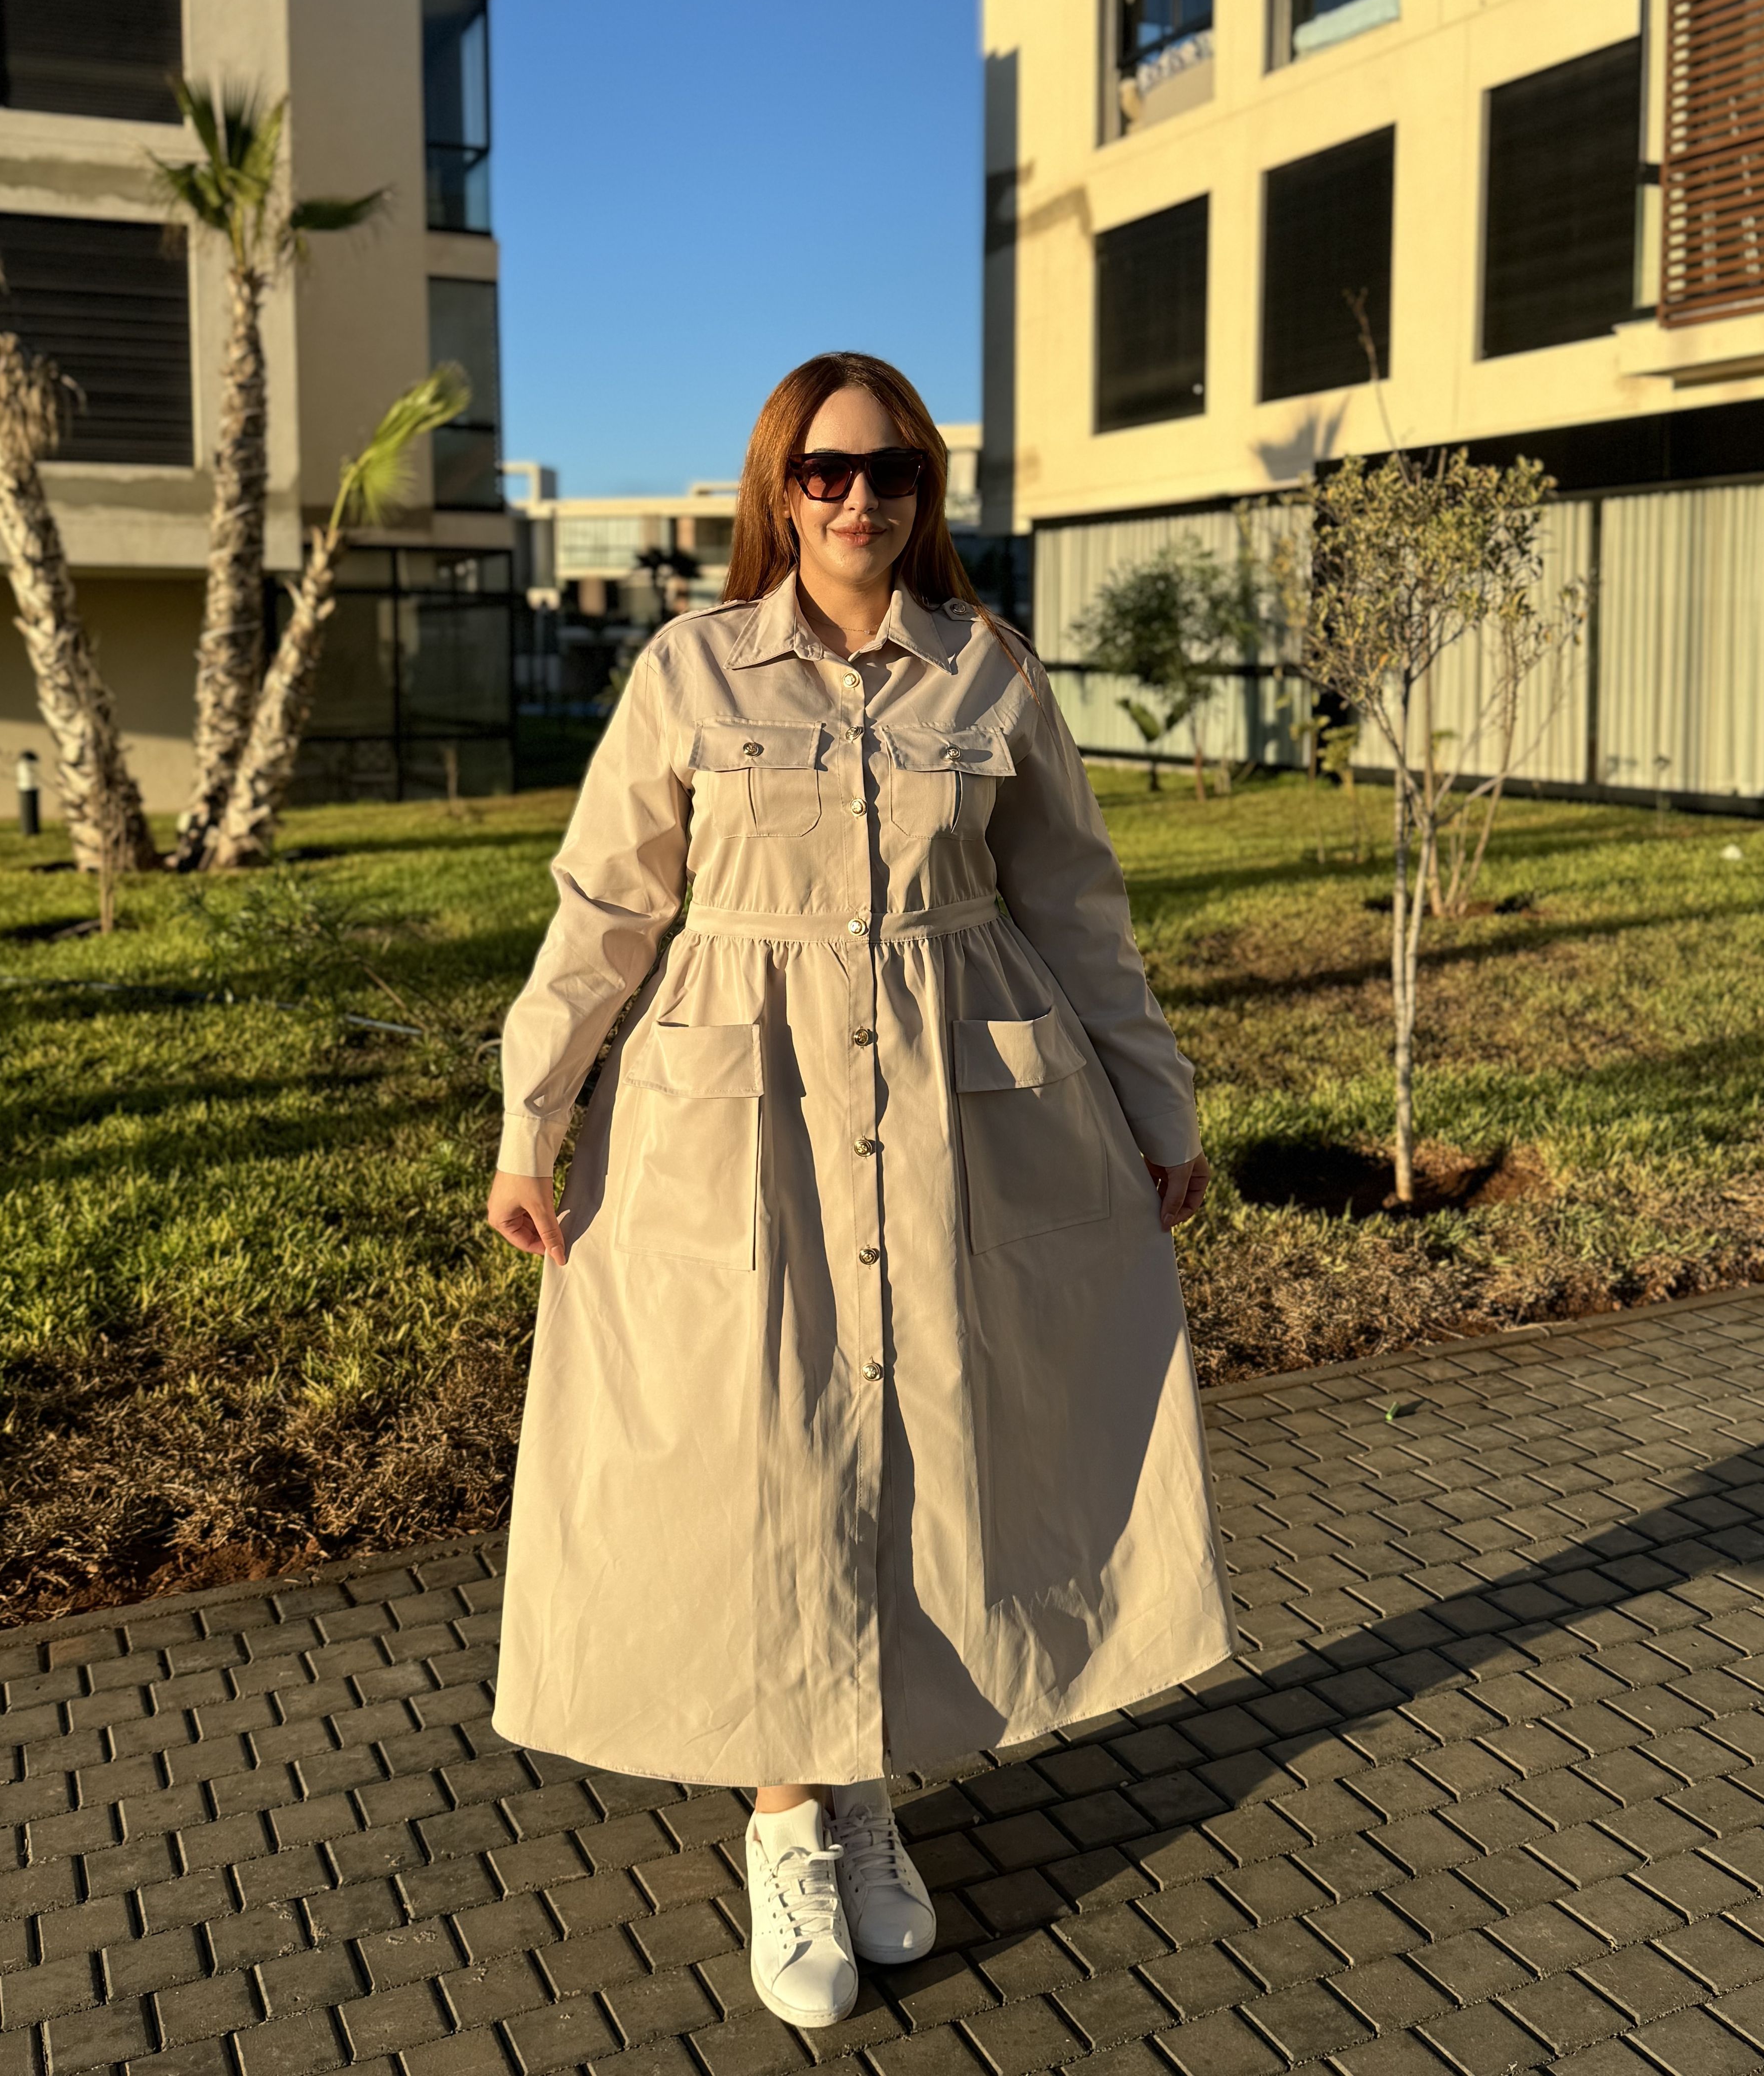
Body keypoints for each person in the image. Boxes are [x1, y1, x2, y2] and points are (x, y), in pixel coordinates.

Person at [485, 352, 1234, 2030]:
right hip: (735, 1115)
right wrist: (533, 1119)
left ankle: (866, 1775)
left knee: (923, 1431)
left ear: (924, 493)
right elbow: (606, 908)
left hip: (960, 1106)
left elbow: (1077, 906)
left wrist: (1158, 1104)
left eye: (890, 471)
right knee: (767, 1441)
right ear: (780, 488)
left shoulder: (990, 670)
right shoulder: (690, 670)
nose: (858, 500)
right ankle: (785, 1819)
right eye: (825, 472)